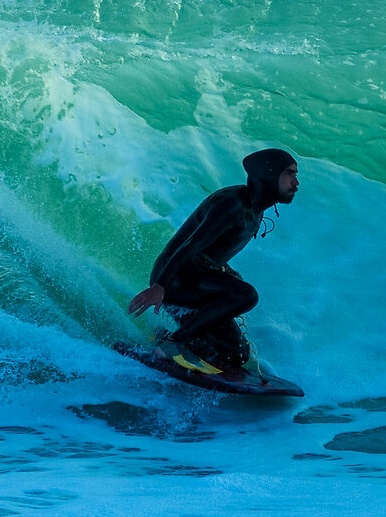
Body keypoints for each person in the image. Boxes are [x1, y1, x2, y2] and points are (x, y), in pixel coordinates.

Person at [126, 148, 299, 376]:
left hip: (195, 277)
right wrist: (160, 287)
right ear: (270, 174)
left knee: (237, 354)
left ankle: (163, 338)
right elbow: (192, 245)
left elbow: (212, 251)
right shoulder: (233, 203)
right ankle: (173, 344)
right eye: (289, 173)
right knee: (246, 295)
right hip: (175, 277)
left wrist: (225, 271)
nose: (296, 182)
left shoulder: (255, 209)